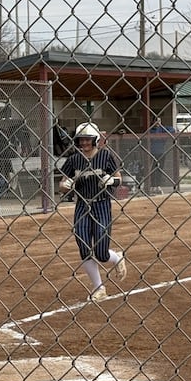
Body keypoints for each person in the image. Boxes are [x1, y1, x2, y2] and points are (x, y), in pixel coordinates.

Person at [58, 122, 127, 302]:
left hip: (102, 204)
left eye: (88, 139)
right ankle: (98, 287)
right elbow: (62, 184)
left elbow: (119, 179)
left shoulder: (104, 156)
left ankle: (116, 258)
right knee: (83, 244)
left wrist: (110, 181)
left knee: (101, 253)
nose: (84, 143)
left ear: (95, 140)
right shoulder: (74, 159)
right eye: (81, 139)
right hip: (82, 204)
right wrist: (66, 185)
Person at [148, 118, 175, 194]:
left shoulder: (162, 129)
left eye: (159, 121)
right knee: (152, 170)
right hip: (152, 153)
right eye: (156, 121)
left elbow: (172, 129)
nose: (157, 123)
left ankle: (158, 186)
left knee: (159, 169)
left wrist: (164, 131)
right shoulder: (150, 130)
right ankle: (152, 186)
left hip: (161, 152)